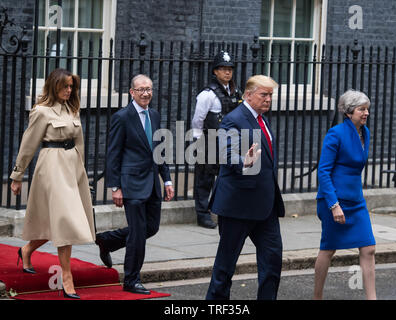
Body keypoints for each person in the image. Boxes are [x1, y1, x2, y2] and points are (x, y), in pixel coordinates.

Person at [10, 68, 95, 299]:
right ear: (54, 85)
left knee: (57, 222)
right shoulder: (42, 111)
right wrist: (17, 176)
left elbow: (80, 143)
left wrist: (82, 174)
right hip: (51, 167)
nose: (69, 90)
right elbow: (28, 145)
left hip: (71, 168)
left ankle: (26, 250)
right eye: (65, 86)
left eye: (71, 87)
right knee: (64, 221)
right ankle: (67, 277)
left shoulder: (72, 109)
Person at [205, 75, 285, 300]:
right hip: (238, 205)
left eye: (271, 95)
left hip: (265, 206)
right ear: (248, 95)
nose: (268, 99)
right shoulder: (234, 119)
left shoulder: (262, 119)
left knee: (272, 261)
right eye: (264, 95)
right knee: (225, 266)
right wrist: (244, 161)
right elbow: (226, 152)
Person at [100, 74, 174, 295]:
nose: (145, 93)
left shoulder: (155, 115)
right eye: (141, 89)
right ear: (132, 92)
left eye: (149, 89)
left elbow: (160, 151)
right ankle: (131, 280)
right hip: (131, 183)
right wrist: (115, 187)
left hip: (152, 183)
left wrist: (167, 179)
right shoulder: (122, 117)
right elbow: (113, 154)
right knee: (138, 232)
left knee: (151, 228)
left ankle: (107, 241)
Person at [313, 89, 376, 300]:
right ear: (349, 112)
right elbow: (323, 171)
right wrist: (334, 204)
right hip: (334, 201)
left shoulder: (364, 132)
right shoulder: (336, 134)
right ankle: (317, 296)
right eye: (361, 109)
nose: (366, 113)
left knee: (368, 248)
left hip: (356, 202)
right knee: (328, 249)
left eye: (367, 109)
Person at [191, 50, 242, 229]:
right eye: (223, 69)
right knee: (205, 179)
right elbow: (198, 119)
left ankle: (223, 211)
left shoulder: (236, 92)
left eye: (230, 69)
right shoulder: (207, 94)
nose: (227, 72)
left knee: (226, 177)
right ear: (215, 71)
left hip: (229, 142)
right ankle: (202, 214)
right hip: (209, 140)